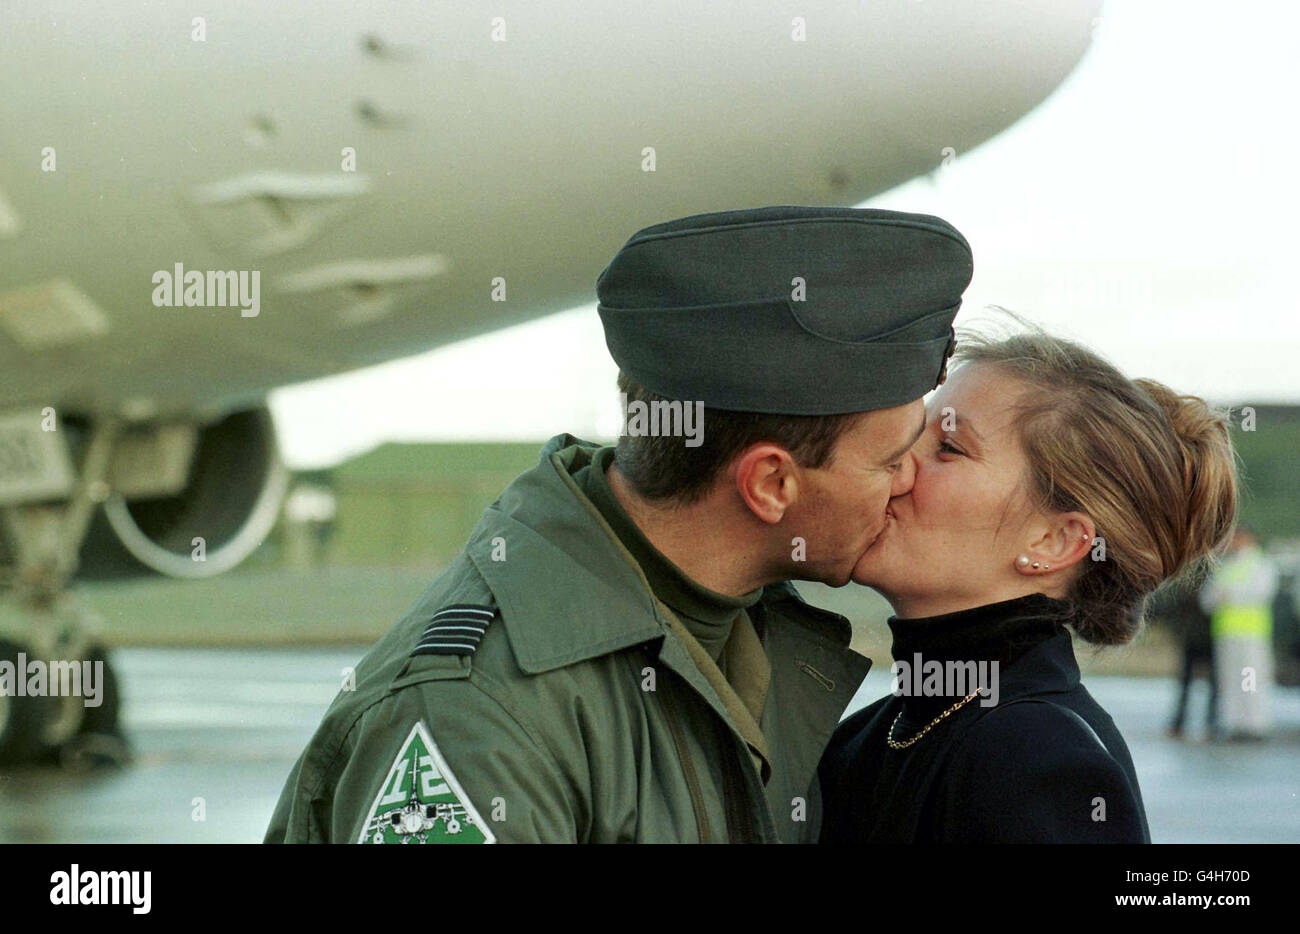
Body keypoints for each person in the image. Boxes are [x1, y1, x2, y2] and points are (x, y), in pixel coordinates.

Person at [266, 205, 974, 843]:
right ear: (770, 484)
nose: (911, 477)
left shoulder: (741, 631)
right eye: (889, 458)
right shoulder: (479, 720)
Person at [818, 328, 1238, 843]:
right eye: (912, 434)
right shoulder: (874, 732)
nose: (897, 465)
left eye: (949, 448)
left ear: (1054, 542)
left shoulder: (1040, 756)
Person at [1200, 527, 1277, 740]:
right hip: (1226, 633)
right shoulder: (1226, 565)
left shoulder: (1260, 564)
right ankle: (1233, 723)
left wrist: (1229, 595)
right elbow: (1207, 599)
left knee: (1249, 680)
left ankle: (1253, 724)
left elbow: (1261, 592)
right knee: (1229, 681)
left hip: (1251, 635)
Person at [1156, 580, 1218, 740]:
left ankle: (1209, 724)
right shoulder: (1192, 580)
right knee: (1187, 683)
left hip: (1209, 636)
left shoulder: (1206, 577)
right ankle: (1183, 724)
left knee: (1212, 684)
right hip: (1195, 636)